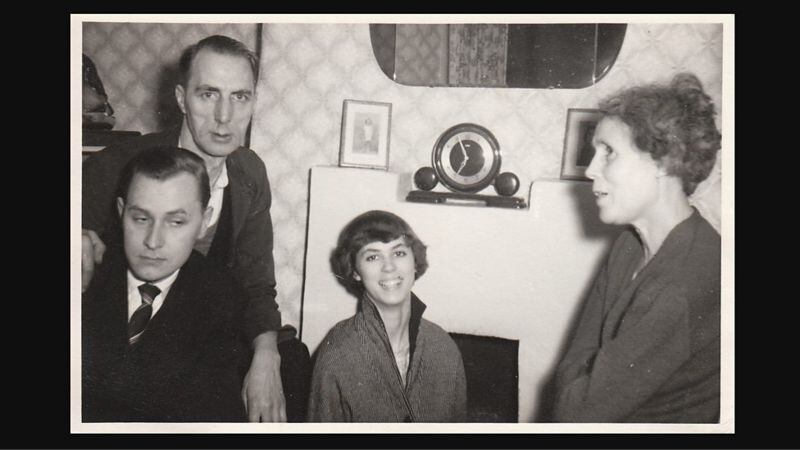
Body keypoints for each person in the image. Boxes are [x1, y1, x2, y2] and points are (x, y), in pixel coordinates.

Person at [81, 35, 285, 422]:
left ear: (254, 102)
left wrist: (266, 355)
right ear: (180, 99)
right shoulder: (122, 165)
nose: (224, 116)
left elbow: (257, 283)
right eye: (208, 95)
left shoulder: (249, 176)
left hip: (199, 352)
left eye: (240, 96)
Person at [551, 73, 722, 423]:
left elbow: (577, 412)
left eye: (609, 152)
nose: (589, 170)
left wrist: (579, 386)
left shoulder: (684, 282)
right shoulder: (630, 244)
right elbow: (576, 364)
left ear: (662, 161)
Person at [82, 146, 246, 421]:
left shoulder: (222, 298)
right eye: (141, 218)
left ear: (204, 222)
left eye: (176, 222)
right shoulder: (87, 270)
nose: (153, 241)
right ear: (122, 212)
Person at [307, 210, 467, 422]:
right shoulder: (337, 352)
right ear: (355, 271)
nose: (389, 266)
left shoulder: (444, 347)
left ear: (415, 261)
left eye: (399, 253)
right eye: (373, 257)